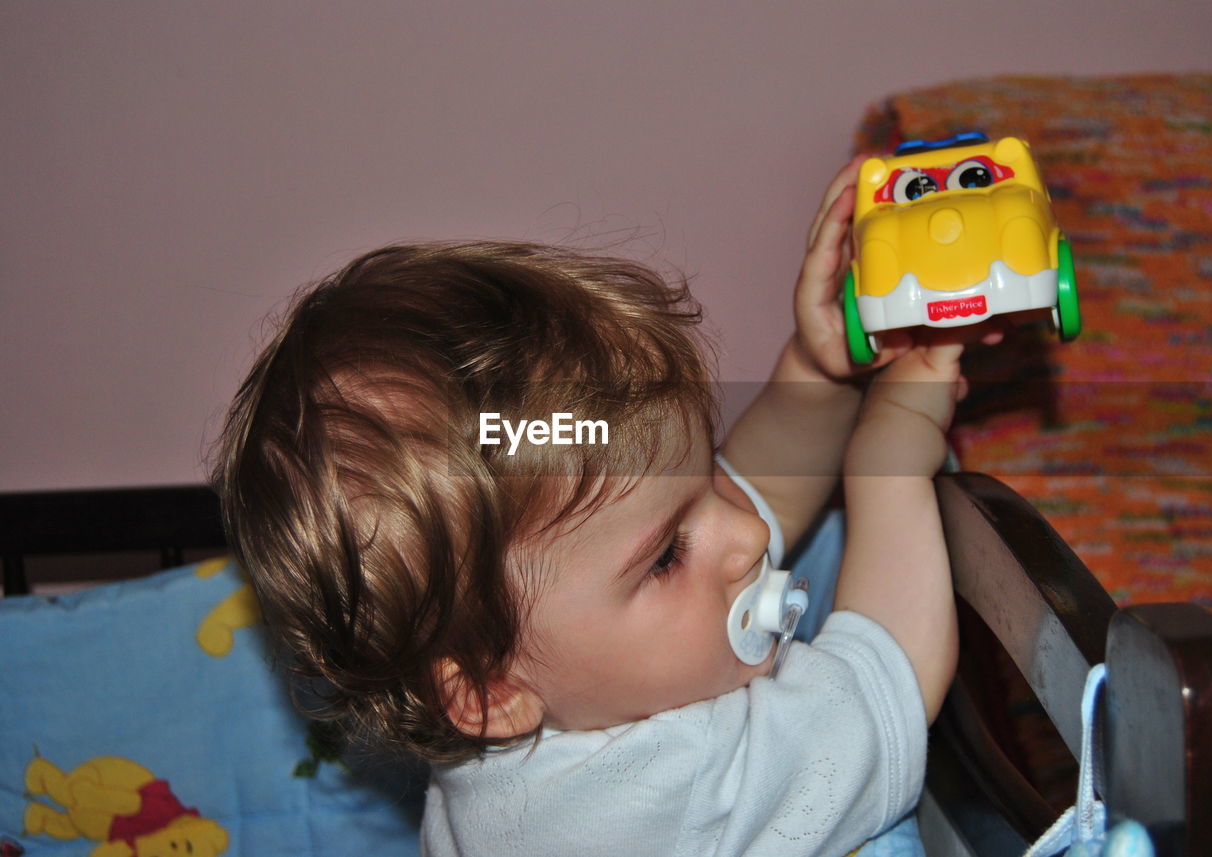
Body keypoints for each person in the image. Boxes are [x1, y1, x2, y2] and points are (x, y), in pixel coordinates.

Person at [214, 160, 998, 856]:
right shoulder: (645, 805)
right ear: (488, 690)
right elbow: (887, 676)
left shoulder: (539, 703)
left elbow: (753, 489)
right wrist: (894, 451)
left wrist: (819, 368)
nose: (750, 529)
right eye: (664, 556)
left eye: (707, 482)